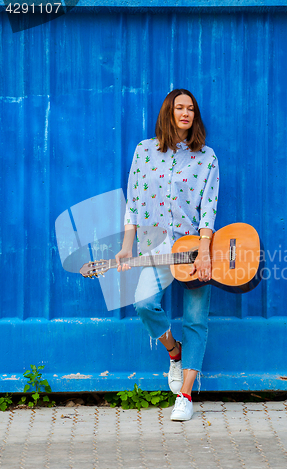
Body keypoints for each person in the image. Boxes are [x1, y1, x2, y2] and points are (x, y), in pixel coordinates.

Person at [115, 89, 219, 421]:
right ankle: (174, 352)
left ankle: (185, 395)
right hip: (156, 248)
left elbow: (208, 210)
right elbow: (133, 202)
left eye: (191, 108)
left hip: (193, 250)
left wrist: (204, 251)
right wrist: (126, 246)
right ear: (169, 112)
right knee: (144, 302)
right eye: (180, 108)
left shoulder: (207, 158)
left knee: (196, 320)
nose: (185, 113)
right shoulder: (144, 151)